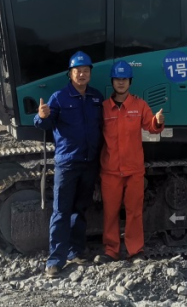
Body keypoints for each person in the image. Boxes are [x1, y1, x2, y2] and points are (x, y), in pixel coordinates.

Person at [34, 50, 104, 277]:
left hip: (89, 162)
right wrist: (42, 117)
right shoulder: (59, 97)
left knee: (80, 210)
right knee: (61, 212)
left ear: (90, 73)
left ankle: (76, 251)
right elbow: (44, 125)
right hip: (67, 163)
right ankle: (55, 259)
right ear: (70, 74)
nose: (82, 75)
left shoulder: (96, 97)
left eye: (85, 71)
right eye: (77, 71)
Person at [98, 60, 164, 262]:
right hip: (110, 170)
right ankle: (111, 251)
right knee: (110, 212)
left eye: (124, 79)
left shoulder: (139, 105)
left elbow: (151, 127)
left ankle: (135, 251)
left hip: (134, 170)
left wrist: (158, 122)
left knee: (134, 212)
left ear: (130, 81)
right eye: (117, 79)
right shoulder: (104, 108)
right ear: (112, 81)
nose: (121, 82)